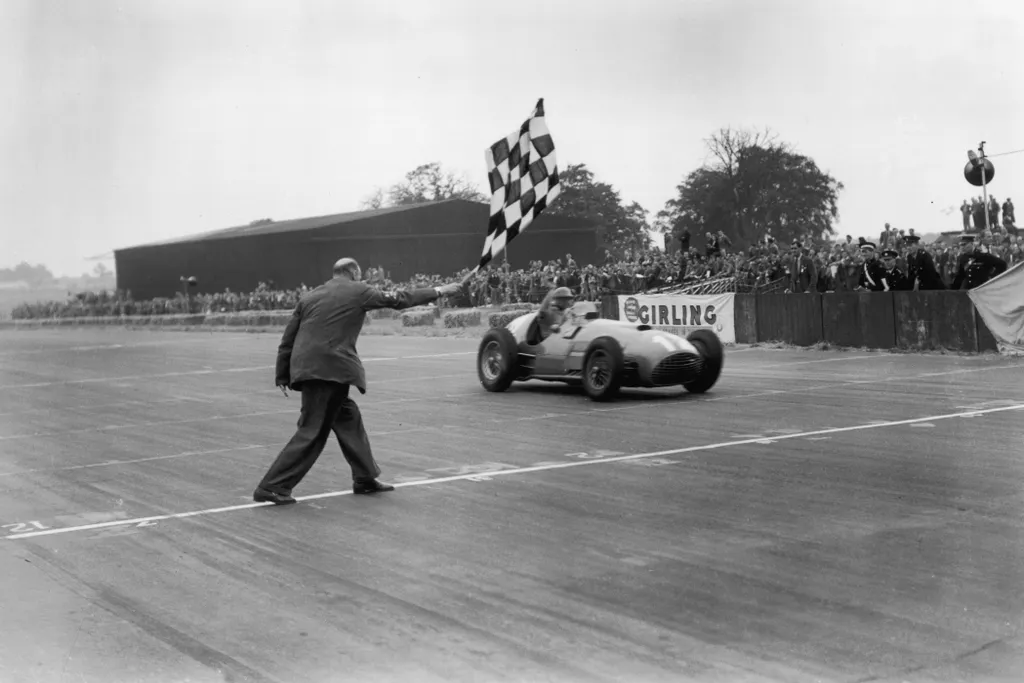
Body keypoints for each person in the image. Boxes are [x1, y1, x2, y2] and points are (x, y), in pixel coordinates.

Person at [253, 257, 463, 505]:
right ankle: (273, 486)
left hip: (310, 369)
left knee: (348, 418)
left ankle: (364, 478)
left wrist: (282, 374)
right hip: (329, 369)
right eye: (360, 274)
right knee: (313, 429)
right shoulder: (358, 290)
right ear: (353, 272)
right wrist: (440, 291)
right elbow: (398, 299)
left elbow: (289, 337)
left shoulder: (310, 296)